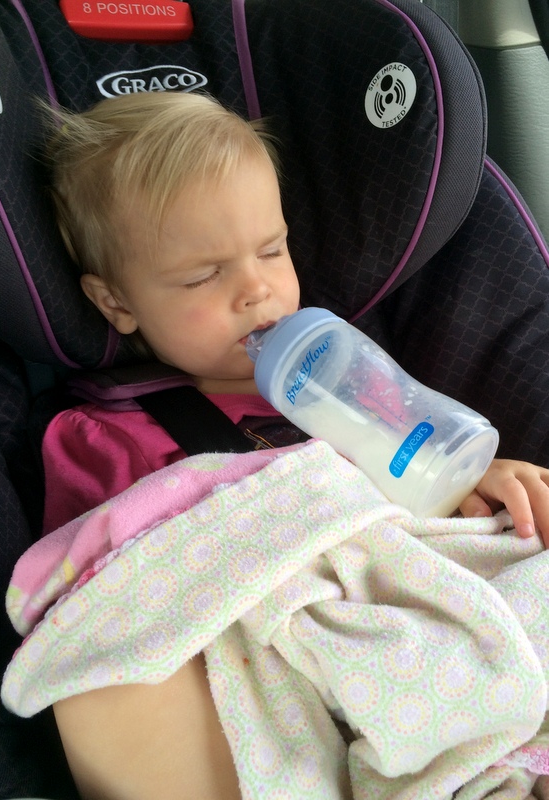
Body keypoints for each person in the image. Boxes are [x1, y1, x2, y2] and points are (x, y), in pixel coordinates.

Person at [31, 90, 549, 798]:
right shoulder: (103, 436)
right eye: (203, 275)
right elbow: (113, 599)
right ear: (117, 302)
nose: (257, 290)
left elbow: (422, 491)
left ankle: (497, 742)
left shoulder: (354, 379)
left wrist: (478, 478)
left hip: (408, 609)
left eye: (271, 250)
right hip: (268, 648)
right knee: (106, 690)